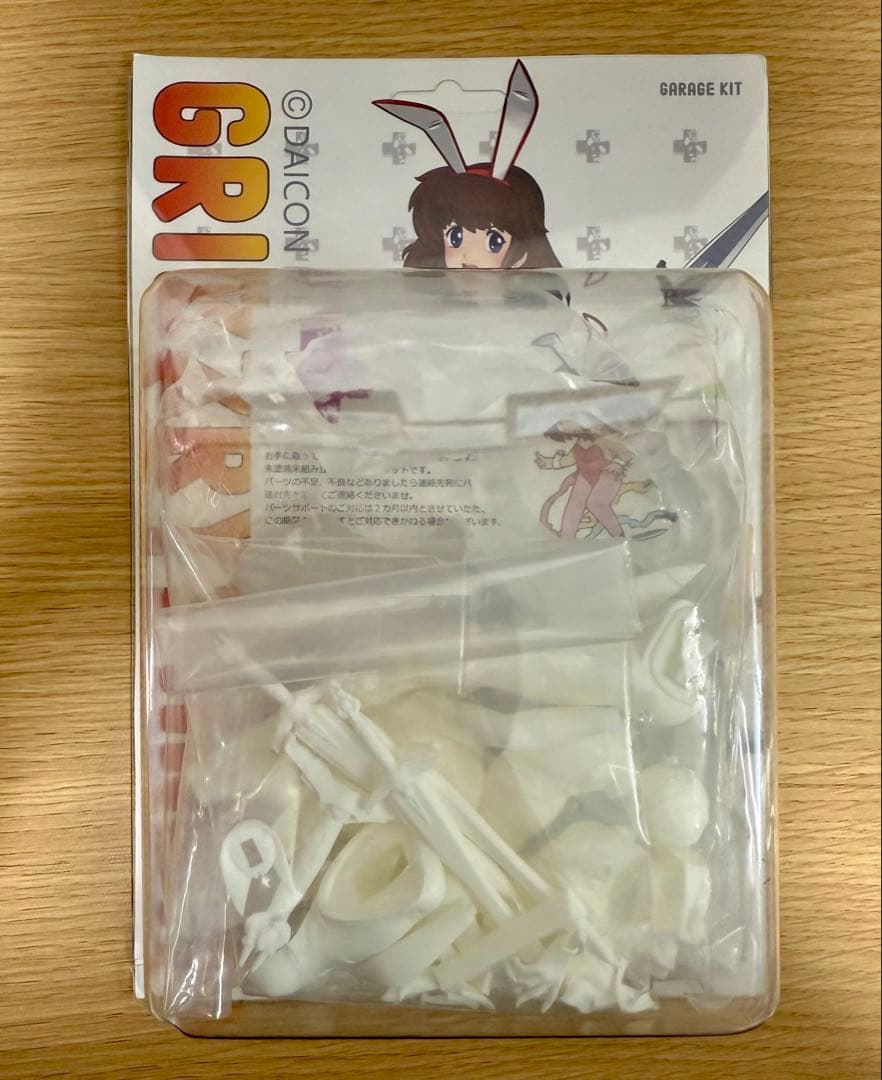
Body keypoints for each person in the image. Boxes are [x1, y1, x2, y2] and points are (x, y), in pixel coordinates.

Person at [535, 421, 633, 539]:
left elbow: (626, 452)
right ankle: (566, 537)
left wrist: (618, 463)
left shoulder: (602, 439)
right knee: (574, 506)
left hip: (607, 475)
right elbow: (567, 460)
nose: (566, 429)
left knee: (595, 503)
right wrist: (548, 462)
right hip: (585, 476)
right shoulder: (579, 443)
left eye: (564, 424)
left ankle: (618, 535)